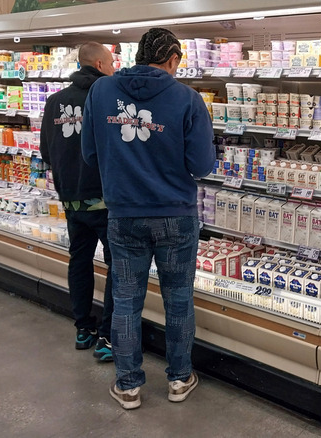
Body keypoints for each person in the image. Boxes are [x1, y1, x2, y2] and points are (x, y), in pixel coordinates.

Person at [81, 28, 215, 410]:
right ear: (172, 59)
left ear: (138, 55)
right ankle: (178, 378)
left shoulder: (101, 91)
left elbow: (90, 154)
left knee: (125, 300)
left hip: (124, 215)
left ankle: (127, 385)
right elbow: (202, 165)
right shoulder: (187, 99)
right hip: (175, 216)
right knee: (177, 299)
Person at [40, 42, 116, 361]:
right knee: (118, 266)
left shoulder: (55, 101)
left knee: (79, 261)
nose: (114, 69)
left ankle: (83, 328)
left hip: (71, 201)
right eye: (112, 64)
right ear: (99, 64)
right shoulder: (107, 100)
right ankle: (108, 337)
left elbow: (46, 153)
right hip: (104, 202)